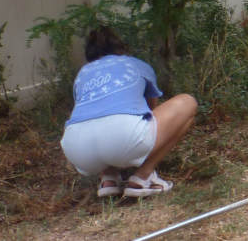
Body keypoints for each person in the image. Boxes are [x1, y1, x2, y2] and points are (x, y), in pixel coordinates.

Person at [60, 26, 198, 197]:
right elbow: (150, 110)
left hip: (77, 150)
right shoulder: (135, 64)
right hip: (124, 138)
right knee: (188, 102)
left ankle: (108, 178)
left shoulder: (82, 73)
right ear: (121, 49)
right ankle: (143, 177)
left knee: (93, 118)